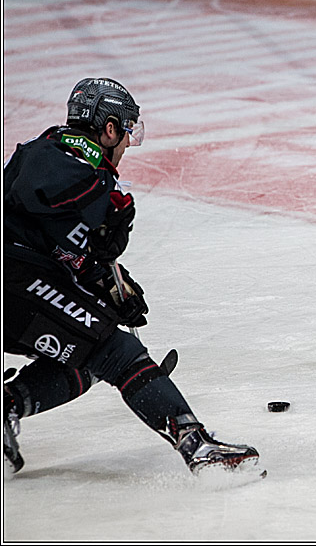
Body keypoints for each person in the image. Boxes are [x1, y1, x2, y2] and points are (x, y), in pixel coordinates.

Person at [3, 78, 264, 480]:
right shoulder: (57, 154)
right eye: (127, 132)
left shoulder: (80, 165)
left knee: (88, 356)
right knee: (114, 351)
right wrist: (101, 203)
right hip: (13, 280)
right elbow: (36, 186)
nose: (128, 143)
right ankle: (198, 449)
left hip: (20, 281)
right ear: (109, 129)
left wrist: (111, 283)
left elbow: (60, 245)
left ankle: (7, 406)